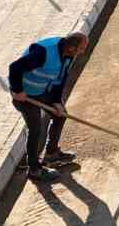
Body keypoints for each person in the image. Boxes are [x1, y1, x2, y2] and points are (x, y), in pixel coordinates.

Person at [8, 31, 89, 182]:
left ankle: (52, 154)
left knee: (61, 115)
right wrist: (17, 90)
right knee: (36, 129)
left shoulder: (69, 54)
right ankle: (34, 169)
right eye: (81, 48)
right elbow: (15, 68)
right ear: (71, 47)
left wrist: (57, 101)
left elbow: (61, 77)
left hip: (44, 90)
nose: (82, 51)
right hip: (25, 96)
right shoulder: (43, 52)